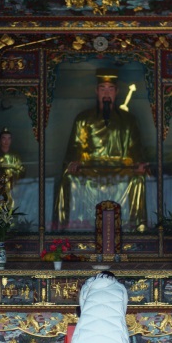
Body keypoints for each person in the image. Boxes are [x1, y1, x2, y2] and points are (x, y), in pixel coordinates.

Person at [55, 70, 149, 230]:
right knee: (69, 179)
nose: (106, 93)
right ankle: (74, 229)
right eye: (103, 89)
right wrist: (73, 163)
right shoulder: (83, 119)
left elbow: (136, 149)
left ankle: (134, 229)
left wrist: (139, 164)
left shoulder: (129, 120)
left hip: (121, 169)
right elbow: (75, 148)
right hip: (90, 169)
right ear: (96, 91)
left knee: (138, 180)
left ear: (117, 92)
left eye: (110, 89)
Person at [0, 127, 24, 207]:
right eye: (4, 138)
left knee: (13, 207)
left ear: (11, 140)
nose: (6, 141)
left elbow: (22, 170)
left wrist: (12, 173)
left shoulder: (15, 155)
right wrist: (1, 175)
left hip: (13, 186)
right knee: (0, 207)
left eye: (9, 139)